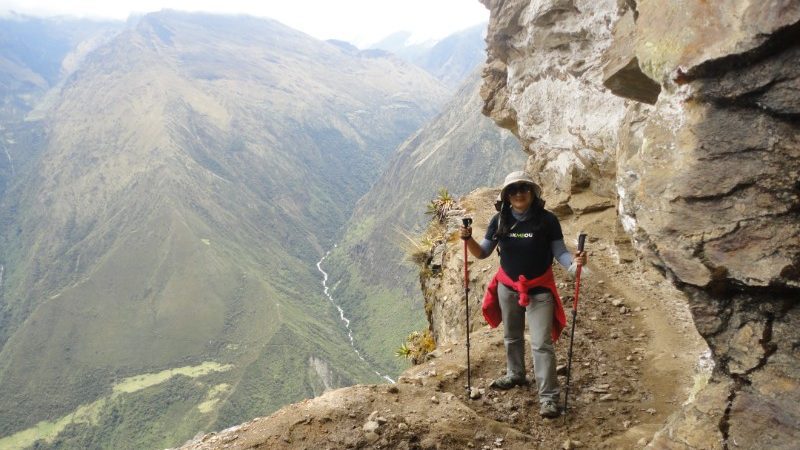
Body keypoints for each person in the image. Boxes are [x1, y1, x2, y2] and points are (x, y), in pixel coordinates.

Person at [460, 170, 587, 418]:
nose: (519, 194)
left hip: (539, 290)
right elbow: (482, 253)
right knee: (512, 335)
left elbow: (560, 252)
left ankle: (549, 397)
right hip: (507, 288)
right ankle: (516, 374)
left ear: (532, 192)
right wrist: (468, 241)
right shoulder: (499, 220)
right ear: (507, 196)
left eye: (523, 188)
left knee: (541, 343)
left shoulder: (547, 220)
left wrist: (574, 263)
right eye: (513, 190)